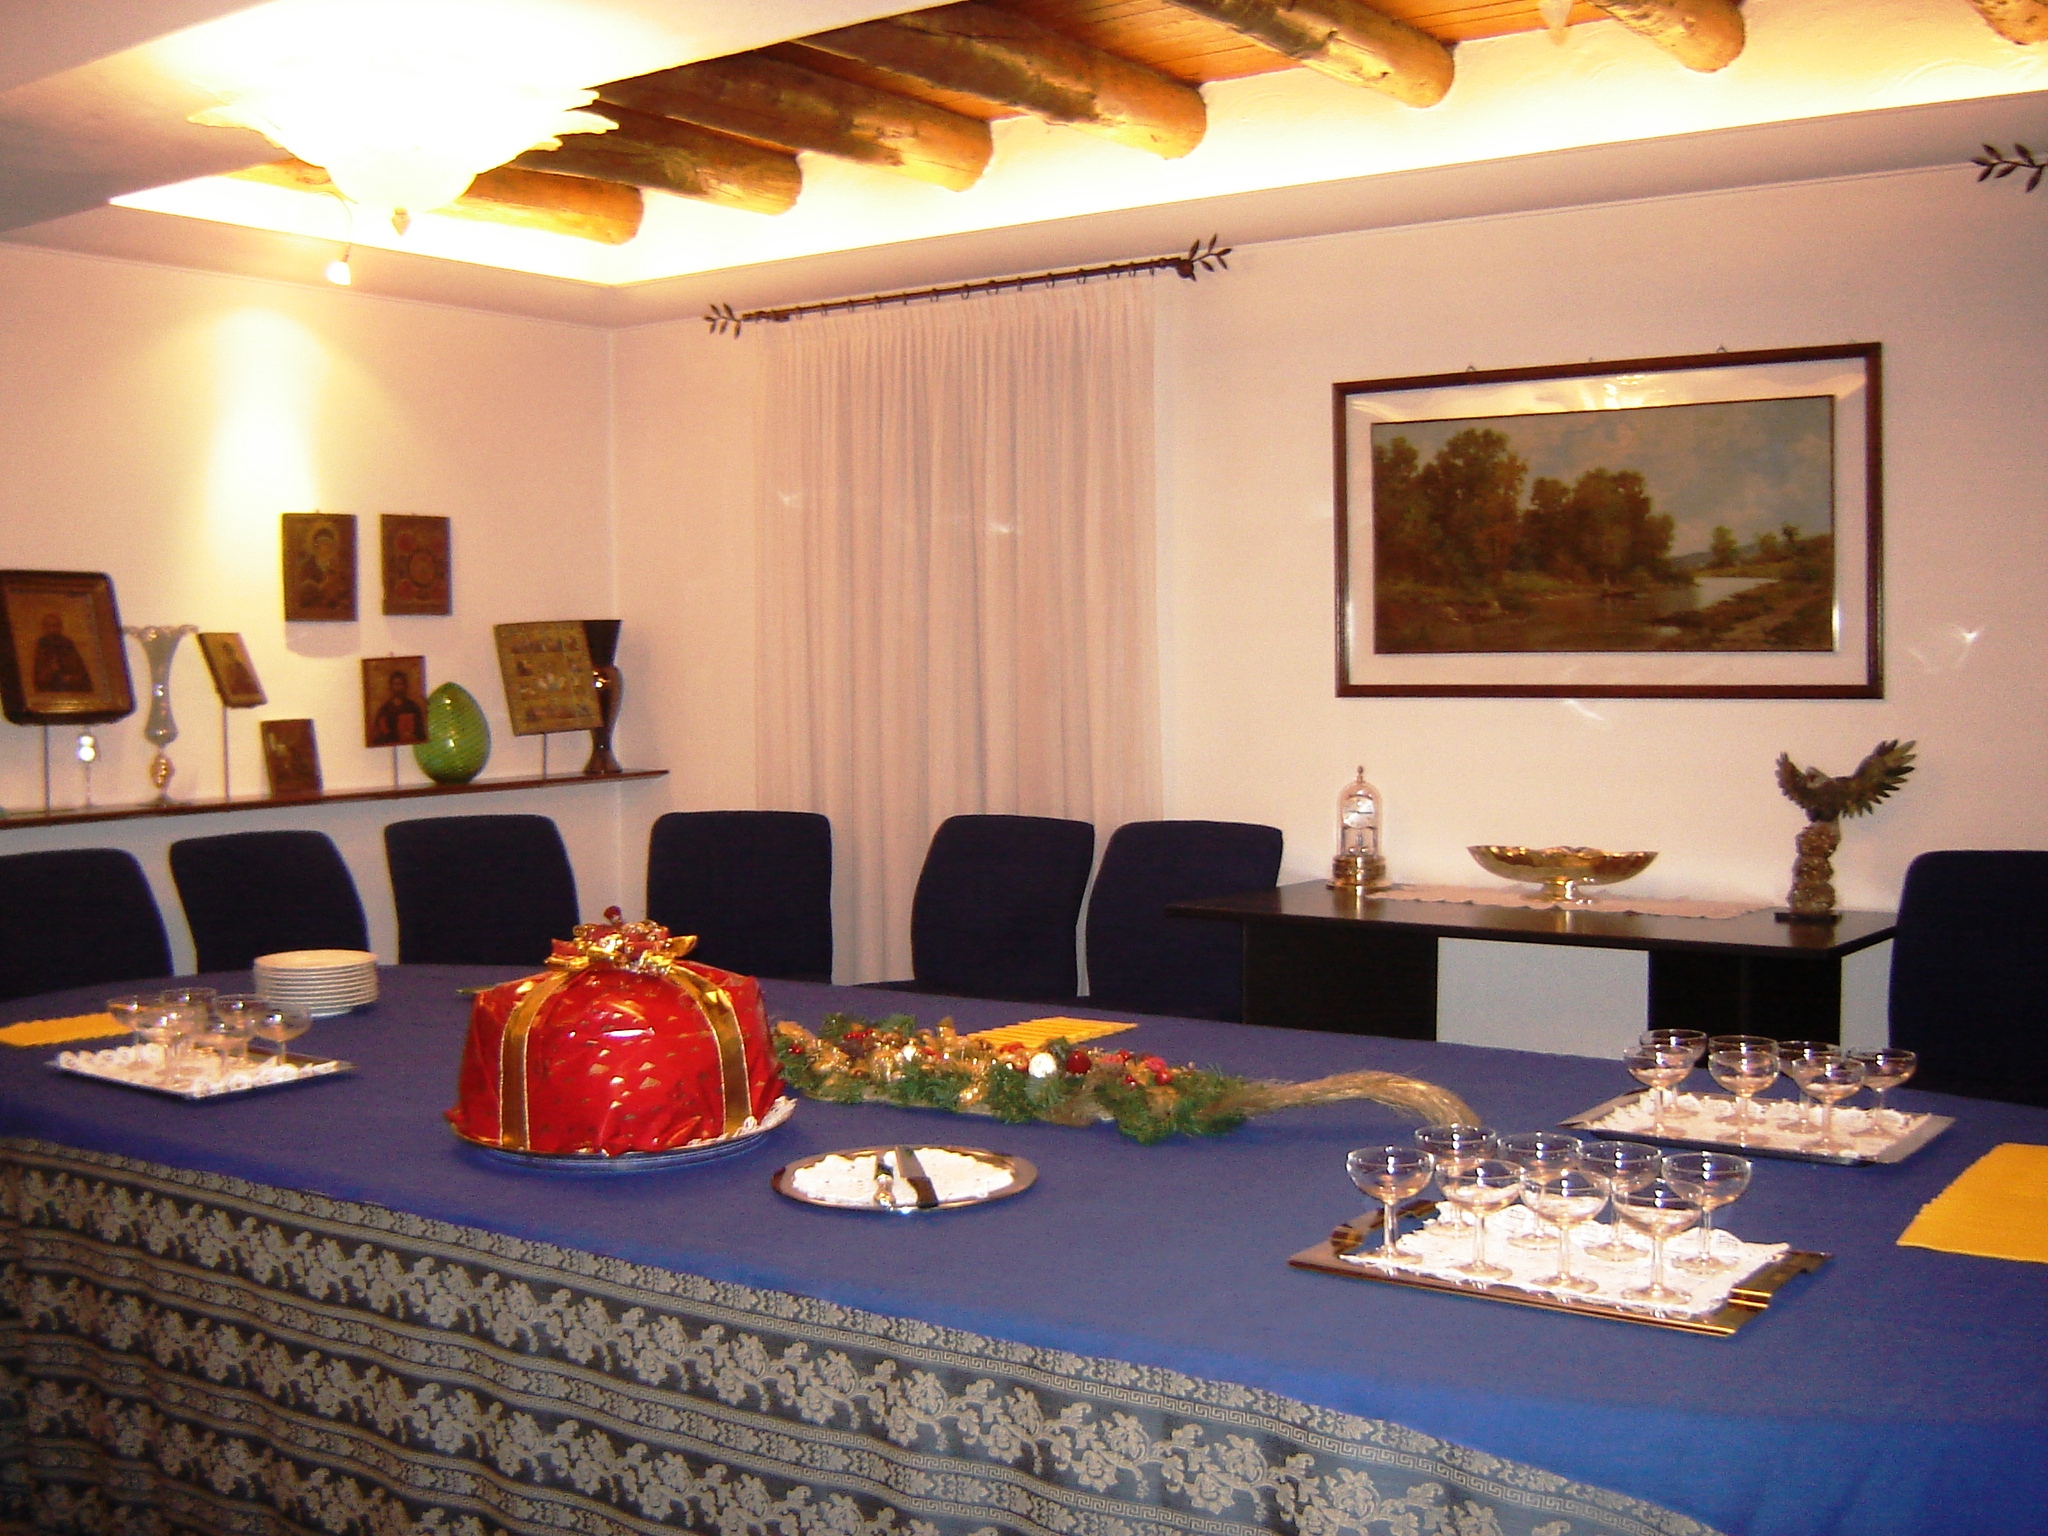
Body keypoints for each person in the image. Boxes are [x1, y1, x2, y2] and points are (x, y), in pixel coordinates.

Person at [32, 612, 93, 693]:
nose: (51, 629)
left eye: (54, 626)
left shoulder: (67, 643)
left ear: (60, 627)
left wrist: (69, 677)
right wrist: (50, 670)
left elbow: (79, 671)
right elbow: (39, 676)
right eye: (47, 626)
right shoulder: (42, 644)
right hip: (50, 689)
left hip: (70, 688)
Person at [371, 669, 426, 746]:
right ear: (391, 686)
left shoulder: (413, 708)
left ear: (405, 686)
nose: (398, 687)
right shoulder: (385, 710)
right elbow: (379, 734)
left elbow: (421, 734)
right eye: (395, 684)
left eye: (400, 684)